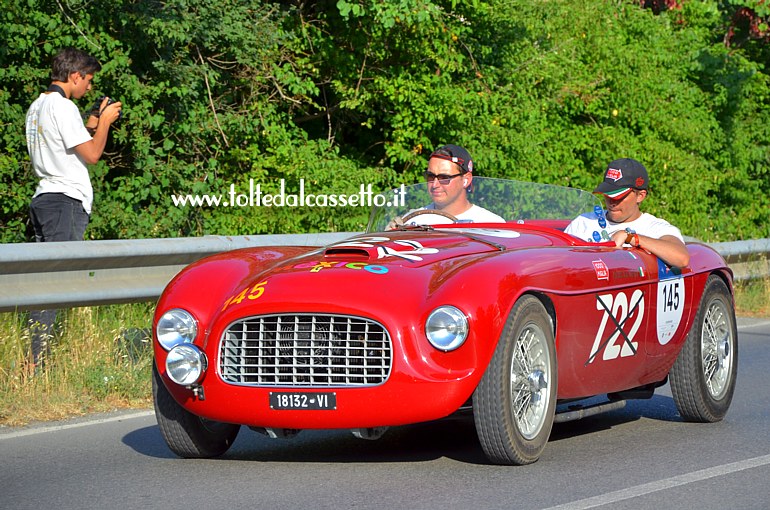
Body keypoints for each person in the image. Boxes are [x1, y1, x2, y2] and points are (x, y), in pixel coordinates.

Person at [25, 47, 123, 368]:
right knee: (55, 283)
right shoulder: (63, 107)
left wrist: (93, 121)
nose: (90, 88)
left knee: (41, 281)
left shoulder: (38, 106)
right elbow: (92, 155)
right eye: (89, 81)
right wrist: (106, 122)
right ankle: (38, 364)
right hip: (65, 201)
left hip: (44, 198)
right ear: (74, 76)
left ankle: (33, 357)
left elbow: (75, 144)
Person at [565, 158, 690, 268]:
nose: (611, 202)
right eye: (607, 195)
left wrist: (630, 237)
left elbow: (681, 258)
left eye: (619, 197)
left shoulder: (654, 228)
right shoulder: (584, 221)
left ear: (640, 196)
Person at [396, 144, 504, 226]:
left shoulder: (491, 224)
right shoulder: (413, 221)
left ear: (466, 180)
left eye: (444, 178)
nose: (435, 184)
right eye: (430, 176)